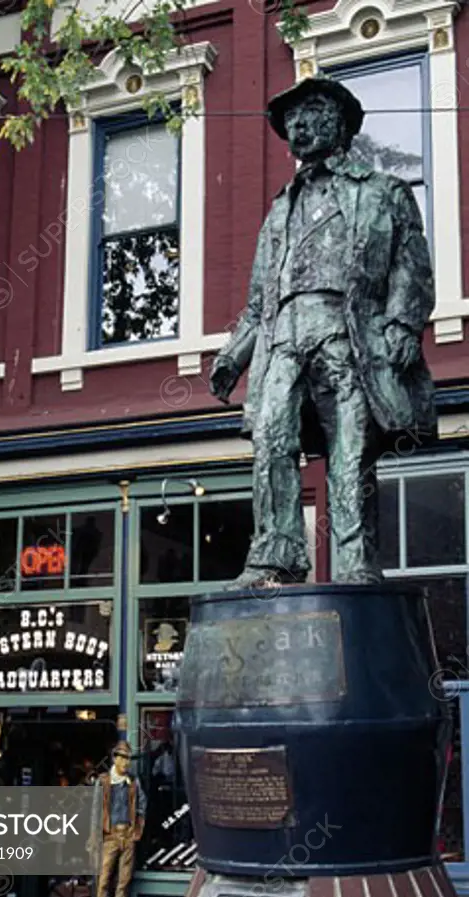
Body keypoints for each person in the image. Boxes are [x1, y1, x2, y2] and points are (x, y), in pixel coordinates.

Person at [210, 75, 436, 587]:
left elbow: (411, 268)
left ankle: (356, 563)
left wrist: (402, 323)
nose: (300, 125)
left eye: (311, 112)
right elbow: (259, 300)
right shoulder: (279, 210)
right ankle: (278, 554)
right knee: (271, 439)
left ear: (341, 121)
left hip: (351, 337)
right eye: (291, 118)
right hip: (283, 341)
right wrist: (233, 355)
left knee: (351, 451)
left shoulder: (385, 193)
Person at [90, 740, 147, 897]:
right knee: (104, 882)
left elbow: (142, 805)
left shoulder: (133, 782)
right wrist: (94, 837)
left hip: (128, 837)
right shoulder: (103, 781)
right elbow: (96, 811)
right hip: (109, 837)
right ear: (115, 758)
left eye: (128, 759)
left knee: (123, 884)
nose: (126, 763)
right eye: (122, 758)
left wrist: (137, 831)